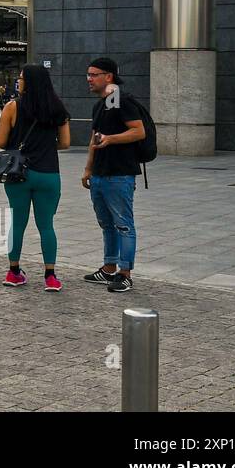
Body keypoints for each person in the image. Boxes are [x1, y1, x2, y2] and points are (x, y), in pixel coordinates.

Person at [0, 65, 71, 290]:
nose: (18, 81)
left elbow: (1, 142)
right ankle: (50, 276)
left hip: (18, 173)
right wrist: (45, 147)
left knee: (17, 224)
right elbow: (66, 143)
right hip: (48, 173)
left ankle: (13, 272)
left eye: (20, 78)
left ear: (28, 82)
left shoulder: (12, 107)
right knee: (46, 225)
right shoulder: (58, 108)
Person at [82, 57, 144, 293]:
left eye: (94, 74)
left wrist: (112, 139)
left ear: (109, 77)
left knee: (123, 224)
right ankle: (108, 268)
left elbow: (139, 131)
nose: (89, 79)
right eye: (88, 74)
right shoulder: (100, 104)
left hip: (120, 173)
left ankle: (125, 273)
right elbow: (94, 138)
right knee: (106, 223)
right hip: (99, 173)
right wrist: (88, 168)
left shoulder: (123, 101)